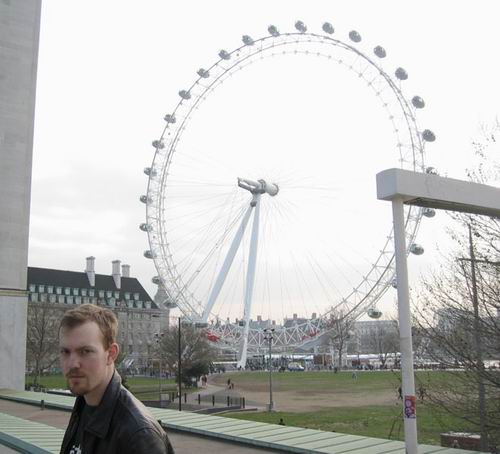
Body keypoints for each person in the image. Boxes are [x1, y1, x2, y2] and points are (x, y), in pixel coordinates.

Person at [58, 304, 174, 454]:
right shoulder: (83, 406)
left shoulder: (139, 435)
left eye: (85, 351)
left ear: (111, 354)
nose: (73, 363)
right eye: (65, 351)